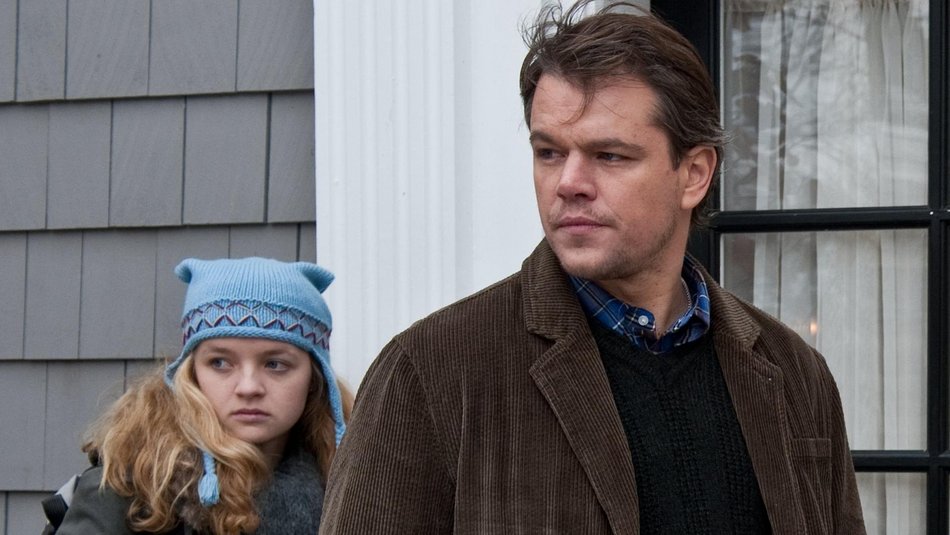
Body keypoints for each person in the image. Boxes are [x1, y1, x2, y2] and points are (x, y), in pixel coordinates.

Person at [321, 1, 866, 534]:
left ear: (694, 173)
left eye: (609, 156)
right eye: (549, 152)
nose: (568, 183)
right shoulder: (431, 373)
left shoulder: (794, 374)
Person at [51, 257, 352, 535]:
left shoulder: (350, 483)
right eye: (220, 363)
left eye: (275, 364)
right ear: (191, 372)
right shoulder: (128, 489)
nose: (248, 387)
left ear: (315, 377)